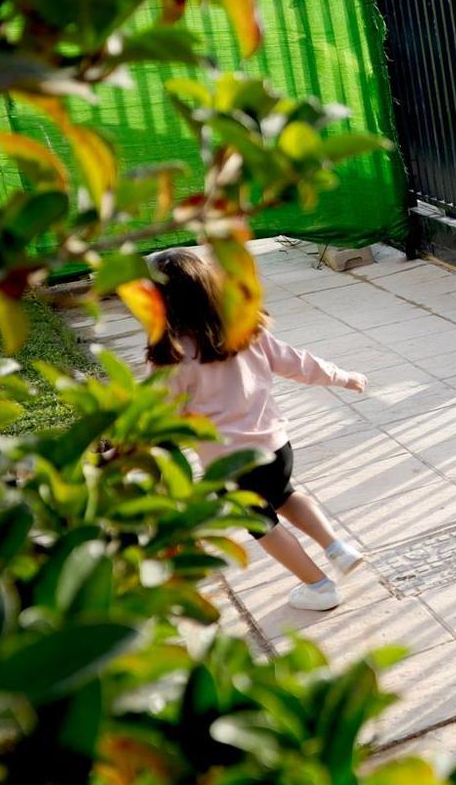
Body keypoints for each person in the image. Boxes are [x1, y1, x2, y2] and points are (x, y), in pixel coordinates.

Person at [147, 246, 369, 611]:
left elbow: (154, 413)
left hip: (231, 464)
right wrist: (344, 377)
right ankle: (337, 548)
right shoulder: (246, 330)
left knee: (262, 524)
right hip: (278, 448)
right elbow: (299, 363)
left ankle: (319, 587)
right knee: (286, 494)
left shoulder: (172, 357)